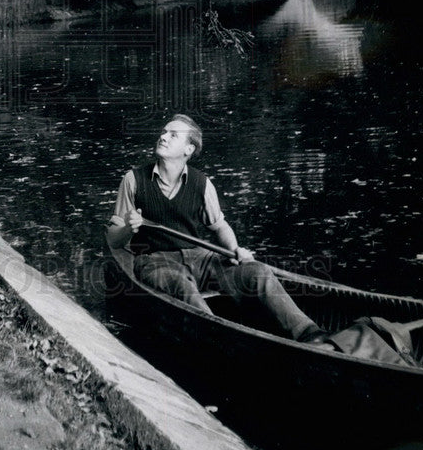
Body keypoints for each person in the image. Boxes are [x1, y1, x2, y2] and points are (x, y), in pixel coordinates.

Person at [107, 114, 331, 344]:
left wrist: (235, 250)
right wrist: (128, 228)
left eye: (173, 135)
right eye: (164, 132)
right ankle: (222, 340)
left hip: (199, 258)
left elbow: (219, 226)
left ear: (188, 149)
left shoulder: (202, 184)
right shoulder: (133, 180)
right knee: (182, 285)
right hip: (154, 261)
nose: (163, 137)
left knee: (257, 271)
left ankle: (312, 336)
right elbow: (114, 240)